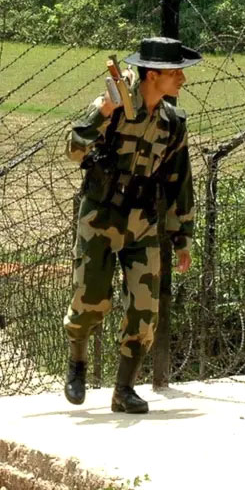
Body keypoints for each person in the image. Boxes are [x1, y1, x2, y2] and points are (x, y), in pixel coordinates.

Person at [64, 37, 198, 414]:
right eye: (175, 73)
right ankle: (77, 360)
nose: (182, 80)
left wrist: (182, 234)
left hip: (143, 221)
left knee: (144, 309)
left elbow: (178, 179)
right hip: (101, 215)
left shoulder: (173, 123)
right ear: (153, 75)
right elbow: (74, 148)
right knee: (91, 301)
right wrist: (102, 113)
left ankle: (124, 389)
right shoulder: (114, 105)